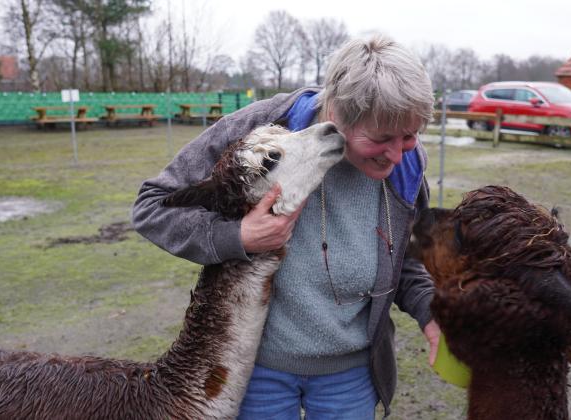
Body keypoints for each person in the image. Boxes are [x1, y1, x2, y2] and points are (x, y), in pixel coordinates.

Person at [132, 34, 440, 419]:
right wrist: (238, 237)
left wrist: (431, 312)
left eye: (410, 136)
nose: (397, 154)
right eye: (380, 139)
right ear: (336, 113)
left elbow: (409, 257)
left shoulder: (408, 166)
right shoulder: (260, 130)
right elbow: (152, 207)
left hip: (350, 373)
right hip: (258, 368)